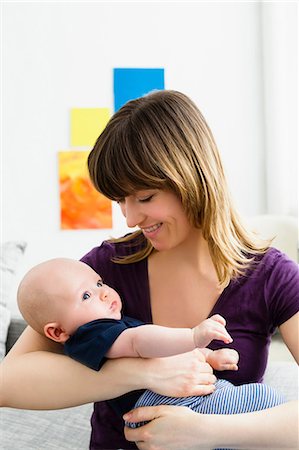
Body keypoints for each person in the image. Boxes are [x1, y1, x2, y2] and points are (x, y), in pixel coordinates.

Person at [1, 90, 298, 450]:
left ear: (192, 178)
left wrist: (205, 432)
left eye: (144, 198)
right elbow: (8, 382)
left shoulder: (272, 277)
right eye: (120, 201)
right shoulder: (102, 272)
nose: (130, 217)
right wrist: (143, 371)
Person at [16, 257, 284, 428]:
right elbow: (139, 343)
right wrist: (192, 337)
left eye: (99, 283)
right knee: (265, 401)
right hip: (164, 406)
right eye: (86, 295)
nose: (103, 293)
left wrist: (208, 357)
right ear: (57, 332)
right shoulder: (91, 334)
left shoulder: (109, 323)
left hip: (180, 403)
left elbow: (164, 355)